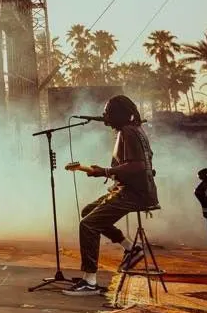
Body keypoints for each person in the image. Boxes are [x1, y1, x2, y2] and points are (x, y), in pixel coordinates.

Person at [65, 95, 157, 296]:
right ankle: (131, 248)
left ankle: (89, 281)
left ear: (119, 115)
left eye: (108, 112)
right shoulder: (134, 130)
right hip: (132, 189)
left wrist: (105, 172)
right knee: (88, 212)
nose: (104, 115)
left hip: (135, 193)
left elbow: (138, 165)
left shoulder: (128, 132)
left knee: (88, 224)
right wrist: (108, 174)